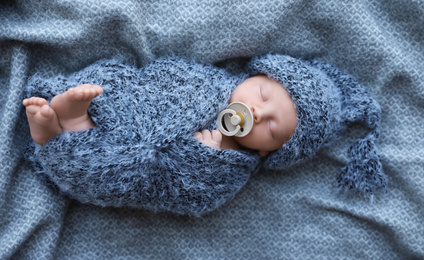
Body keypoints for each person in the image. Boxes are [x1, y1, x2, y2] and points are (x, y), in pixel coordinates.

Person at [23, 54, 387, 216]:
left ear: (266, 154)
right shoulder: (212, 82)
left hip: (136, 167)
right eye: (262, 94)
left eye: (272, 128)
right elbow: (163, 74)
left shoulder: (233, 172)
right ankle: (75, 114)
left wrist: (205, 159)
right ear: (251, 75)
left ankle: (59, 131)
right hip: (132, 106)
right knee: (112, 82)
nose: (257, 113)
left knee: (114, 172)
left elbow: (189, 197)